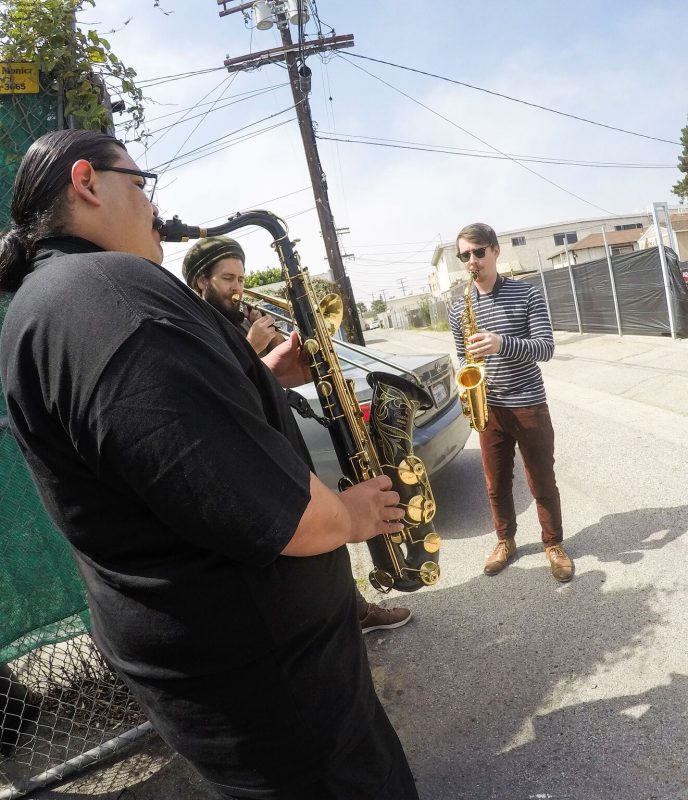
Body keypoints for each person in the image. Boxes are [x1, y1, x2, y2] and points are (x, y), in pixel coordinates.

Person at [0, 130, 419, 800]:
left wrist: (259, 378)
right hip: (272, 681)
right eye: (141, 184)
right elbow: (272, 515)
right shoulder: (114, 297)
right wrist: (355, 515)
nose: (153, 205)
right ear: (87, 182)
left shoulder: (53, 303)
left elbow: (165, 445)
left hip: (231, 670)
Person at [181, 236, 412, 635]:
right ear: (201, 281)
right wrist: (253, 348)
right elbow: (218, 393)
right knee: (306, 541)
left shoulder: (234, 318)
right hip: (254, 456)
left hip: (281, 437)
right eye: (227, 278)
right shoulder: (194, 326)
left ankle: (351, 610)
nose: (237, 287)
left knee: (323, 531)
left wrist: (285, 361)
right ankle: (338, 620)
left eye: (240, 277)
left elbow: (259, 381)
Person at [448, 222, 574, 582]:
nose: (472, 261)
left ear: (495, 250)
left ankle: (553, 544)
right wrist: (468, 393)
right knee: (495, 484)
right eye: (465, 255)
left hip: (529, 403)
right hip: (489, 409)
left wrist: (502, 343)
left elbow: (546, 348)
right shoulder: (459, 310)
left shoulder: (528, 294)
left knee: (542, 481)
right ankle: (505, 541)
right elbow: (463, 359)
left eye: (478, 252)